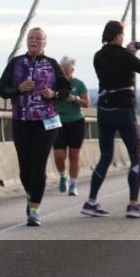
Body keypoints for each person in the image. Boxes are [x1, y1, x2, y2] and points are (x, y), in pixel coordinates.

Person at [81, 20, 140, 218]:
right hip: (124, 111)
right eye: (122, 35)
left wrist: (129, 52)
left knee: (105, 156)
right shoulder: (123, 55)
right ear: (116, 36)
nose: (123, 38)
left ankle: (91, 201)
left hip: (104, 110)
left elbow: (115, 67)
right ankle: (133, 205)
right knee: (136, 157)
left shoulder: (98, 56)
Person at [0, 27, 71, 226]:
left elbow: (65, 90)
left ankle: (34, 210)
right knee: (25, 168)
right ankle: (31, 195)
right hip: (21, 120)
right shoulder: (16, 63)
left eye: (38, 38)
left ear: (44, 43)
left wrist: (53, 94)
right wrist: (18, 89)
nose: (34, 41)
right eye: (31, 38)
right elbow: (1, 89)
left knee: (38, 165)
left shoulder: (52, 64)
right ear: (27, 42)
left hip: (46, 121)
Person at [52, 56, 89, 196]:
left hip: (76, 121)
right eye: (62, 68)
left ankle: (73, 184)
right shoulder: (54, 83)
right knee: (59, 155)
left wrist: (75, 98)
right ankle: (63, 176)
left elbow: (86, 103)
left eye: (67, 68)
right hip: (57, 121)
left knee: (74, 155)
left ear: (72, 69)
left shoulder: (79, 84)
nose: (65, 70)